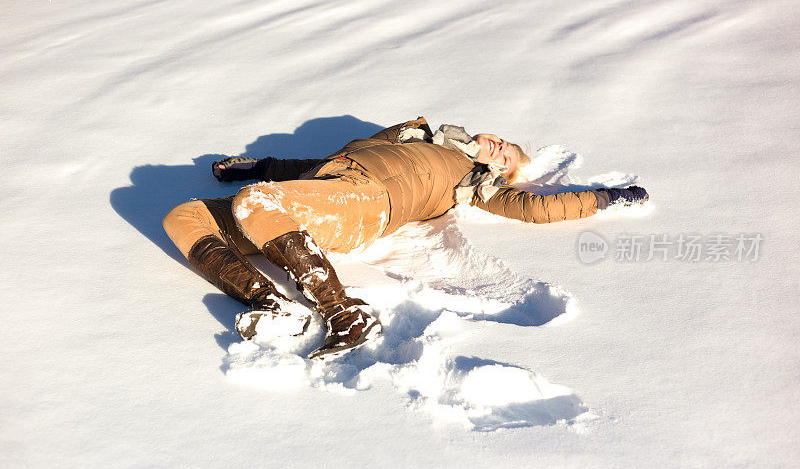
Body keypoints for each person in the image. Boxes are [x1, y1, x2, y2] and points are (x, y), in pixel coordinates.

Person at [163, 117, 648, 359]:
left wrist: (606, 197)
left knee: (255, 203)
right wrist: (263, 166)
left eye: (507, 157)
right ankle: (275, 305)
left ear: (497, 173)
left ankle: (342, 313)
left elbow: (538, 208)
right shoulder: (410, 135)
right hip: (323, 191)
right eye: (502, 142)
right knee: (183, 217)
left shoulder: (471, 182)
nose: (501, 148)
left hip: (369, 204)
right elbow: (319, 162)